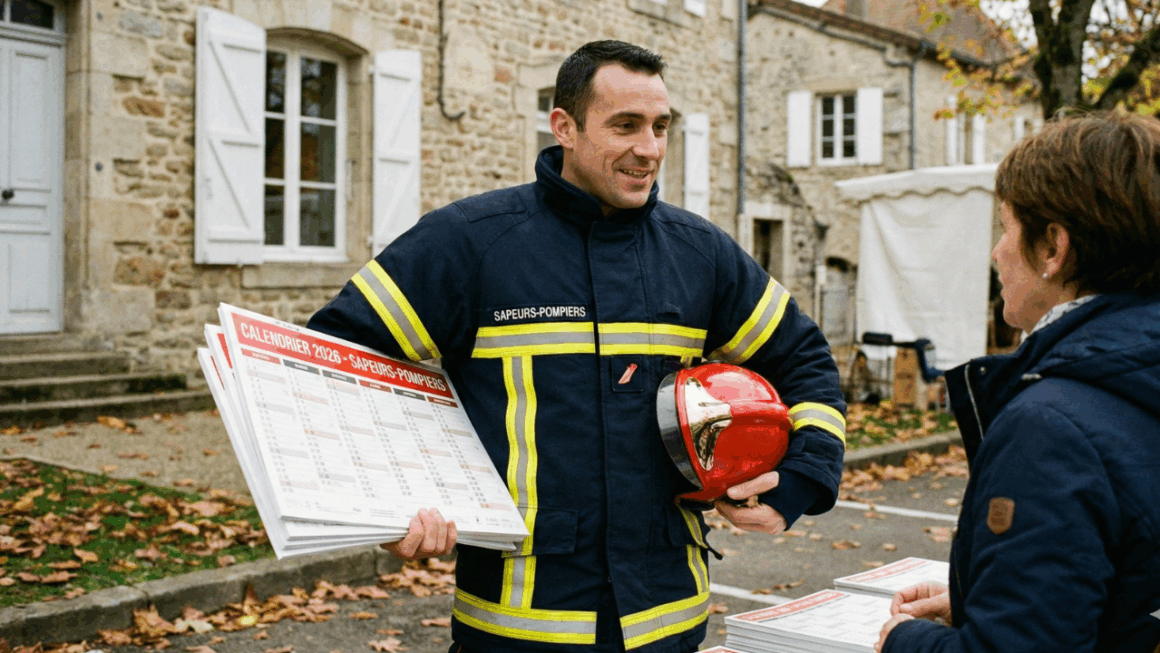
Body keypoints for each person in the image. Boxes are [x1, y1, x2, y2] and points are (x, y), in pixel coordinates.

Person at [309, 40, 846, 653]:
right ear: (564, 127)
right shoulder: (469, 243)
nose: (649, 149)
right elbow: (330, 362)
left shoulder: (699, 253)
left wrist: (801, 479)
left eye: (660, 127)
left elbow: (803, 360)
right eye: (625, 125)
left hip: (669, 627)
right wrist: (386, 502)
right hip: (512, 633)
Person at [875, 111, 1160, 653]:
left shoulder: (1050, 429)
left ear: (1053, 248)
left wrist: (905, 641)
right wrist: (989, 600)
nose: (996, 252)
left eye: (1005, 227)